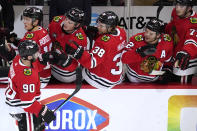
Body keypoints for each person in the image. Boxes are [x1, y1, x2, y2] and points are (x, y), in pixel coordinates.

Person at [65, 11, 126, 89]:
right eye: (98, 24)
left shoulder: (104, 42)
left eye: (101, 26)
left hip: (101, 80)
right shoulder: (121, 32)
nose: (98, 27)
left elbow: (90, 63)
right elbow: (112, 45)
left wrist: (79, 53)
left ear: (111, 27)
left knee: (80, 67)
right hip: (117, 77)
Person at [5, 40, 56, 131]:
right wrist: (44, 111)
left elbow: (33, 65)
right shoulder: (27, 76)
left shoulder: (18, 59)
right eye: (36, 53)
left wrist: (43, 61)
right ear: (29, 57)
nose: (38, 54)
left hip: (17, 102)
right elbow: (28, 104)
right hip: (22, 109)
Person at [121, 18, 173, 83]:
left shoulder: (167, 42)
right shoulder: (136, 39)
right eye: (146, 31)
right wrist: (139, 53)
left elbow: (167, 61)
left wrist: (166, 71)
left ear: (158, 35)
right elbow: (123, 58)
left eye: (151, 34)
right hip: (134, 79)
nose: (146, 34)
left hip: (154, 80)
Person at [48, 7, 87, 83]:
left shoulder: (80, 39)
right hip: (52, 64)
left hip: (67, 73)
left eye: (70, 23)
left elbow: (79, 63)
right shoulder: (56, 21)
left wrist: (63, 60)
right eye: (66, 19)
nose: (65, 23)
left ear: (77, 25)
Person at [165, 0, 197, 84]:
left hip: (185, 60)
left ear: (189, 8)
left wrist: (185, 52)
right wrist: (164, 29)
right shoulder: (175, 13)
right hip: (174, 58)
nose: (177, 8)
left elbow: (192, 41)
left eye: (182, 6)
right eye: (177, 4)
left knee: (181, 87)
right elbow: (172, 26)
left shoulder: (194, 22)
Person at [21, 7, 52, 88]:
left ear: (36, 21)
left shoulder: (35, 35)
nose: (24, 22)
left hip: (39, 77)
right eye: (24, 19)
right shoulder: (40, 31)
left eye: (27, 19)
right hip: (41, 73)